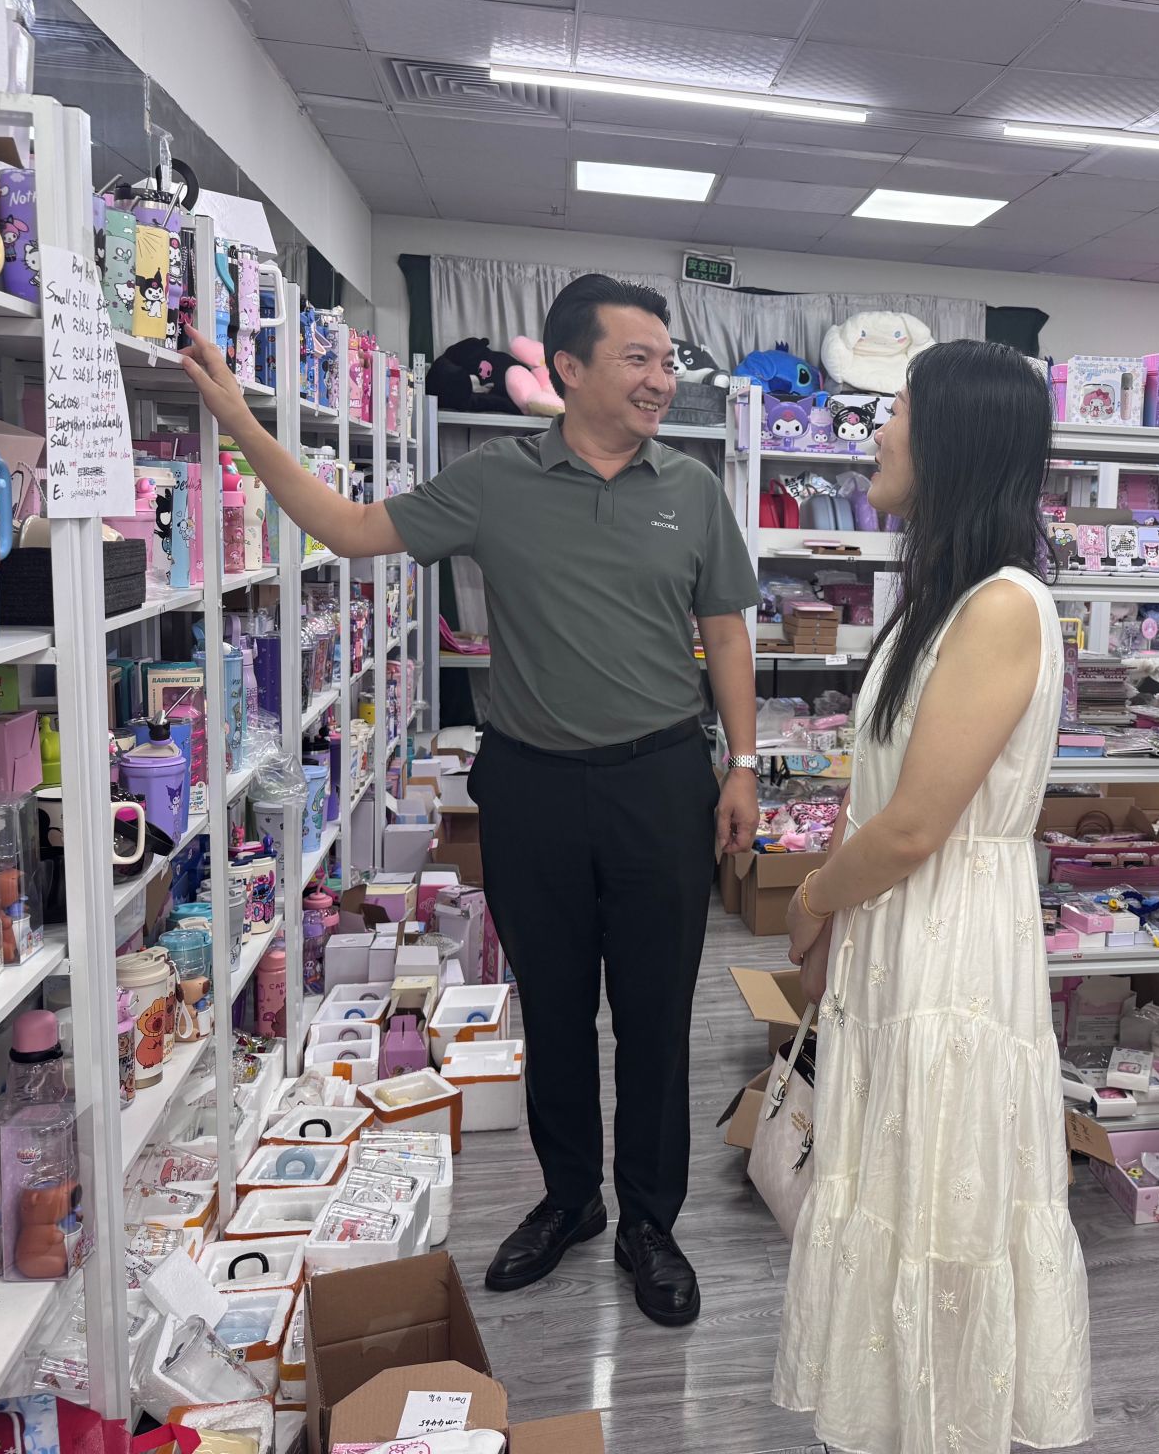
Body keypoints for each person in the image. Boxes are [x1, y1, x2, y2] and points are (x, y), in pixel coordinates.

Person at [179, 274, 761, 1323]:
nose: (660, 380)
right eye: (637, 358)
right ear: (569, 368)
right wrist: (239, 419)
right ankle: (571, 1199)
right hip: (532, 783)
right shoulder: (496, 480)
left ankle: (649, 1220)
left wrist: (746, 764)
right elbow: (349, 528)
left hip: (661, 779)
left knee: (655, 1017)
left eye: (665, 361)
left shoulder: (692, 487)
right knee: (555, 1007)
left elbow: (725, 631)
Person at [772, 341, 1093, 1454]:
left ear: (952, 438)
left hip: (947, 942)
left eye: (895, 411)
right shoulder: (942, 602)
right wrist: (836, 904)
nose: (877, 433)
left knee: (943, 1197)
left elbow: (914, 825)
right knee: (899, 1184)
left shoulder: (1002, 606)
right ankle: (897, 1417)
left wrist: (815, 897)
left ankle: (946, 1425)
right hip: (906, 929)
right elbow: (885, 795)